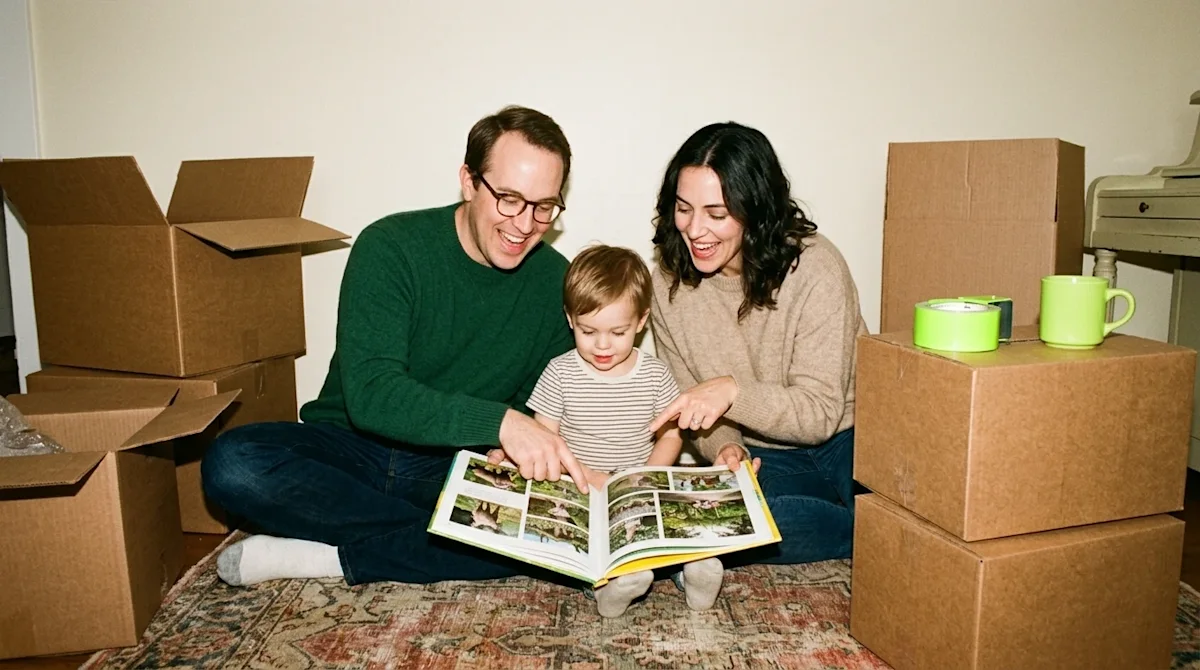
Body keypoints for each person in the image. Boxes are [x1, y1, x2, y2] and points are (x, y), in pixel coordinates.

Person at [201, 104, 594, 587]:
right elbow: (372, 395)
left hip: (454, 468)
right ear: (469, 182)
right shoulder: (390, 246)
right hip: (353, 452)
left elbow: (538, 404)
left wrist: (508, 450)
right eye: (508, 198)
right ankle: (446, 545)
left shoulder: (557, 282)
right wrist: (500, 423)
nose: (525, 223)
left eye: (544, 206)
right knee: (233, 464)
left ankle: (328, 557)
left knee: (552, 530)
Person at [646, 121, 868, 566]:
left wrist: (733, 392)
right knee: (723, 519)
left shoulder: (816, 268)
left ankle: (871, 529)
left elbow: (821, 414)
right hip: (766, 453)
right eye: (684, 208)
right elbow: (694, 405)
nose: (695, 230)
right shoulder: (668, 284)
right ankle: (864, 532)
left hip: (852, 440)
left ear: (756, 210)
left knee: (911, 515)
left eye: (718, 213)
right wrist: (728, 448)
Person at [484, 244, 724, 616]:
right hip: (581, 484)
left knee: (666, 523)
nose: (602, 344)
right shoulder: (560, 374)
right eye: (588, 330)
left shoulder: (656, 374)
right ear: (570, 320)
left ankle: (690, 572)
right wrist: (589, 477)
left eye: (617, 331)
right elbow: (547, 441)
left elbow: (671, 435)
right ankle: (605, 586)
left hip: (639, 482)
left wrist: (646, 474)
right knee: (580, 532)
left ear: (641, 322)